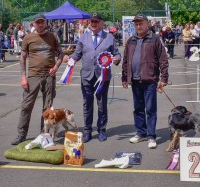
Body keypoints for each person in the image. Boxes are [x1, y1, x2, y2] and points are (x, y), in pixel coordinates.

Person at [64, 13, 121, 143]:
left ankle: (101, 130)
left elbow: (116, 53)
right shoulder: (83, 37)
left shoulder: (109, 38)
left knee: (102, 105)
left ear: (101, 23)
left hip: (103, 76)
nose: (93, 24)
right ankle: (88, 131)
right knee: (87, 104)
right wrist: (70, 58)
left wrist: (117, 59)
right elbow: (77, 54)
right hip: (87, 76)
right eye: (91, 21)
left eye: (96, 21)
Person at [11, 14, 64, 145]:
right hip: (33, 76)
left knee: (47, 108)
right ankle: (21, 134)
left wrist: (56, 67)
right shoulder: (28, 38)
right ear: (33, 24)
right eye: (37, 22)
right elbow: (22, 58)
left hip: (49, 76)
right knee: (26, 106)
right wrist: (23, 77)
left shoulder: (53, 37)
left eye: (42, 22)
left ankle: (44, 134)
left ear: (46, 23)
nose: (40, 24)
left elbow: (61, 54)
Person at [122, 13, 169, 149]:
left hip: (150, 81)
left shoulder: (154, 39)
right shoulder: (131, 40)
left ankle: (151, 136)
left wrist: (164, 78)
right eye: (136, 24)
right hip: (135, 81)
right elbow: (125, 61)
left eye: (140, 23)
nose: (138, 26)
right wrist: (125, 78)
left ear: (147, 24)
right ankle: (141, 133)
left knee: (150, 109)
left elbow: (163, 60)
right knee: (138, 109)